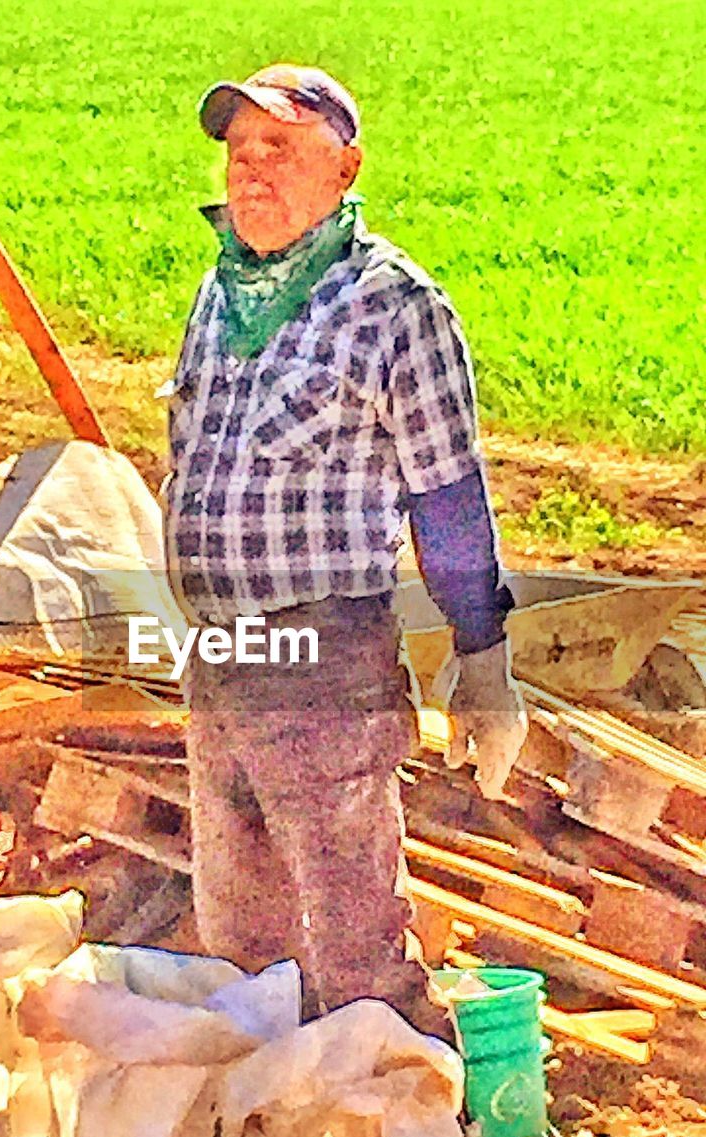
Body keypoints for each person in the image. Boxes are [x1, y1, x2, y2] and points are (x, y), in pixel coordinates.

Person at [161, 64, 528, 1027]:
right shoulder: (221, 295)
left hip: (323, 662)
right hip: (221, 655)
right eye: (239, 152)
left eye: (279, 150)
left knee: (352, 951)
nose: (251, 172)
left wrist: (482, 659)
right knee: (238, 947)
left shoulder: (396, 306)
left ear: (346, 167)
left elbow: (446, 493)